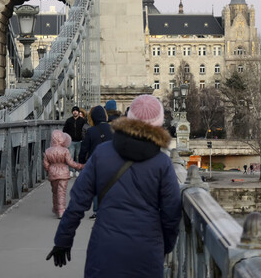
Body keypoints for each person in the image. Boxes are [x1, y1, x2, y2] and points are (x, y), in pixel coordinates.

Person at [48, 94, 181, 277]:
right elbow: (172, 213)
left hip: (105, 246)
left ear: (129, 119)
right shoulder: (162, 163)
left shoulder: (102, 153)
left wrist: (63, 239)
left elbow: (78, 201)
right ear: (158, 125)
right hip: (146, 250)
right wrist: (164, 245)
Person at [78, 105, 114, 219]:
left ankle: (97, 210)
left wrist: (81, 161)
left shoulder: (91, 131)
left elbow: (84, 148)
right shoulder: (114, 129)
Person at [42, 131, 83, 217]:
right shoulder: (65, 150)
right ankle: (61, 211)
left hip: (53, 173)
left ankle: (56, 208)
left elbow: (46, 165)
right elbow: (70, 163)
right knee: (62, 192)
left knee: (55, 192)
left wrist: (49, 171)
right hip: (64, 173)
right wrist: (81, 166)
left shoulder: (48, 151)